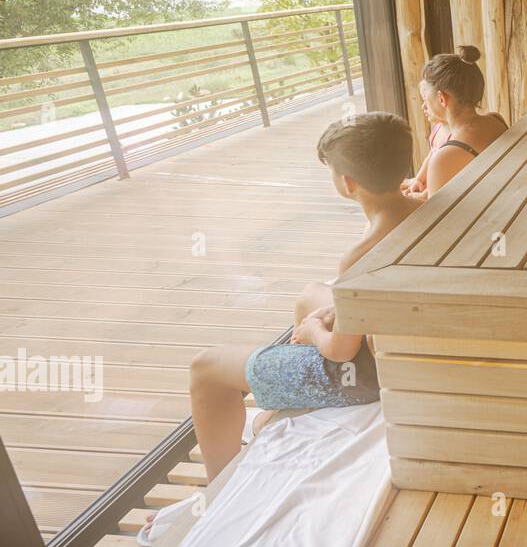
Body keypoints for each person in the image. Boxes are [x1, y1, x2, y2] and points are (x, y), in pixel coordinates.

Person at [186, 111, 423, 484]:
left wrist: (314, 329)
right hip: (409, 343)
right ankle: (289, 394)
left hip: (368, 374)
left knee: (205, 369)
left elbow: (342, 351)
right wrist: (330, 309)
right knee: (310, 293)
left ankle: (218, 489)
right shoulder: (426, 208)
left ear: (347, 183)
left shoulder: (361, 255)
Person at [411, 46, 507, 197]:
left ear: (442, 98)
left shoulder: (445, 158)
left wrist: (414, 197)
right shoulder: (496, 120)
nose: (424, 105)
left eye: (426, 99)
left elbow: (434, 214)